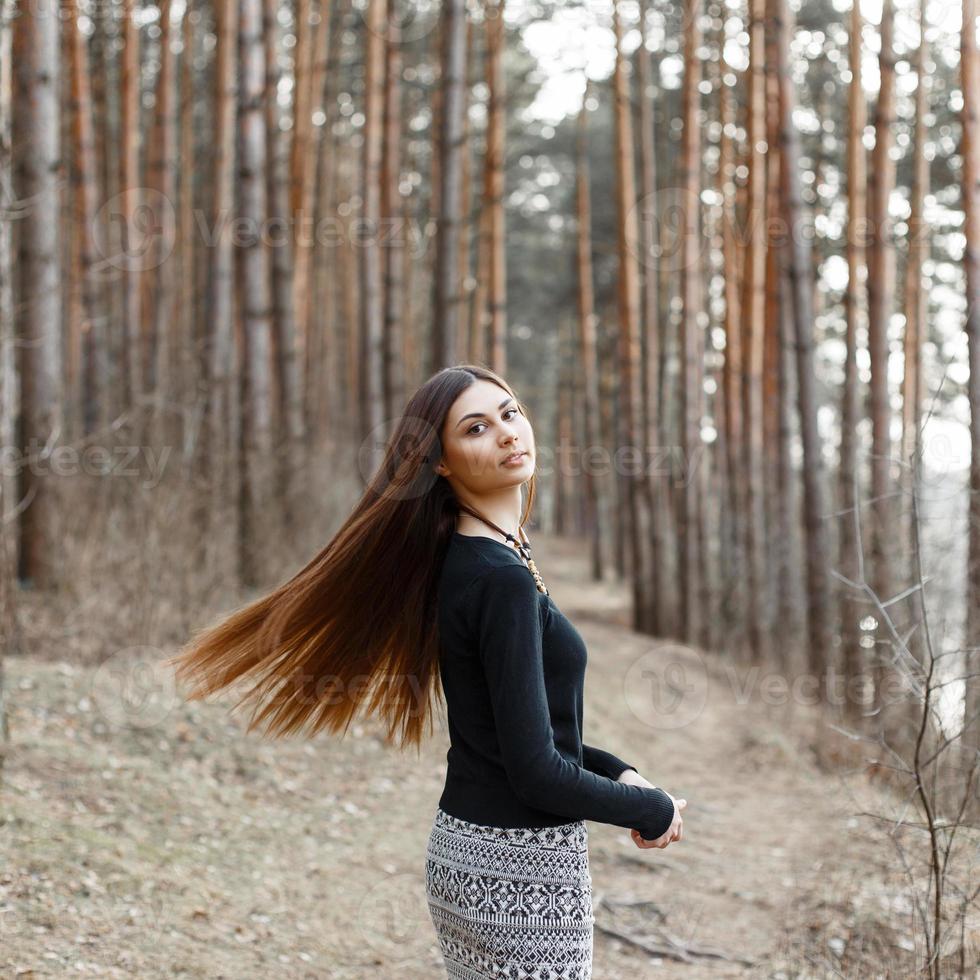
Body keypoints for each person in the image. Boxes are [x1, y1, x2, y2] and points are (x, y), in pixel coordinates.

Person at [166, 363, 685, 979]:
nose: (507, 434)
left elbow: (512, 729)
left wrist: (620, 771)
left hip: (470, 852)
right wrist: (650, 810)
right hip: (520, 871)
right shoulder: (500, 579)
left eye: (510, 413)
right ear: (440, 461)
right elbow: (536, 772)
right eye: (476, 428)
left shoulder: (478, 559)